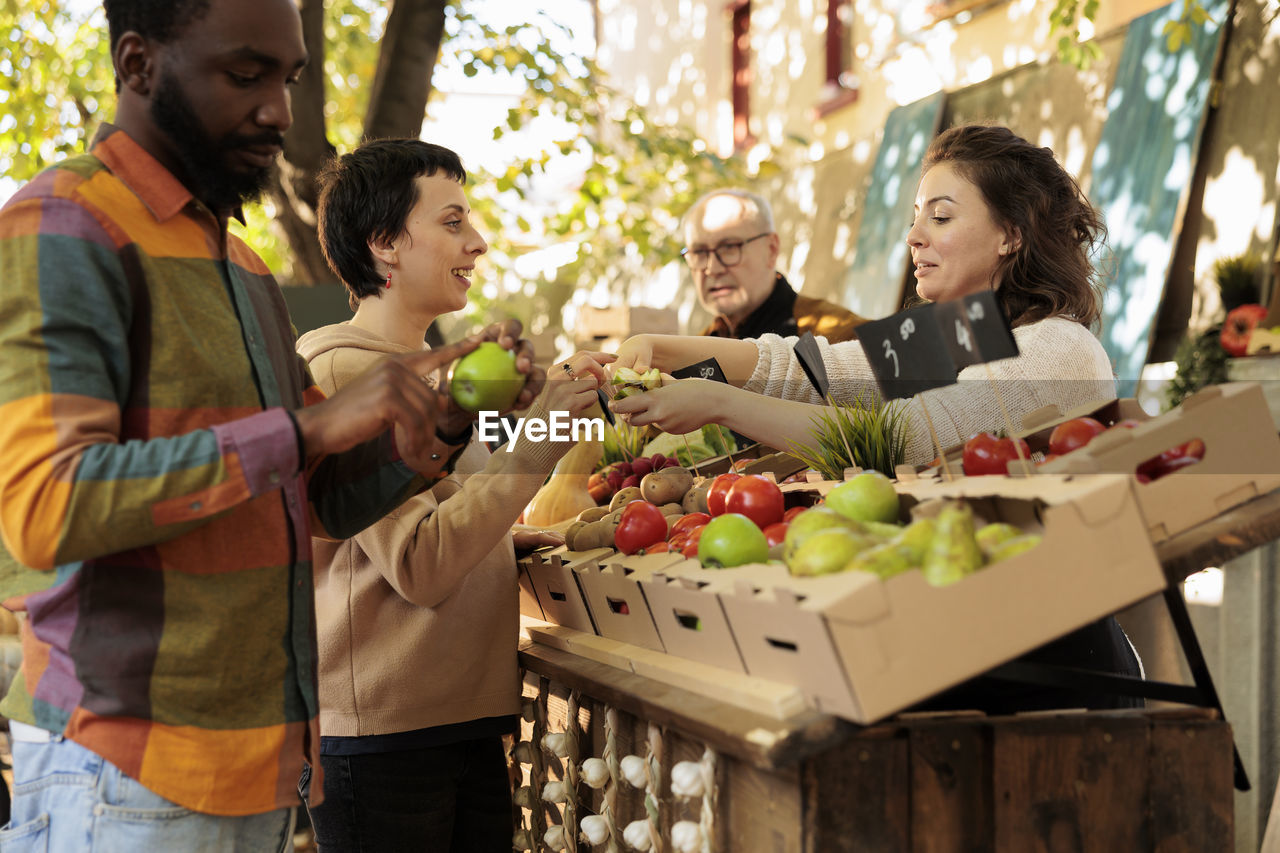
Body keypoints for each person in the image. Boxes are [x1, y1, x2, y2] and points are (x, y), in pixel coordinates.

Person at [0, 1, 541, 849]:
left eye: (287, 80)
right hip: (124, 766)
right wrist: (308, 432)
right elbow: (45, 508)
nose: (280, 113)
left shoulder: (241, 264)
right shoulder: (64, 224)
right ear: (139, 65)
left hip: (259, 766)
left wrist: (451, 414)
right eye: (244, 75)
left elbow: (323, 501)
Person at [612, 124, 1141, 714]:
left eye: (940, 218)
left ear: (1010, 235)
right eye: (916, 217)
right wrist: (654, 348)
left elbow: (903, 438)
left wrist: (716, 401)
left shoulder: (1057, 348)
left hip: (1054, 669)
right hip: (961, 638)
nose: (914, 236)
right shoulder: (962, 332)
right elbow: (814, 370)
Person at [295, 137, 610, 852]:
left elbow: (450, 524)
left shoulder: (431, 376)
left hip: (448, 724)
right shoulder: (346, 371)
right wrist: (546, 430)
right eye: (452, 222)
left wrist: (509, 540)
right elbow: (421, 563)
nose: (479, 241)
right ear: (384, 244)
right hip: (384, 743)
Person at [683, 188, 866, 344]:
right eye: (699, 252)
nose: (712, 269)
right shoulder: (691, 352)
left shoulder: (843, 340)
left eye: (729, 247)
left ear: (771, 249)